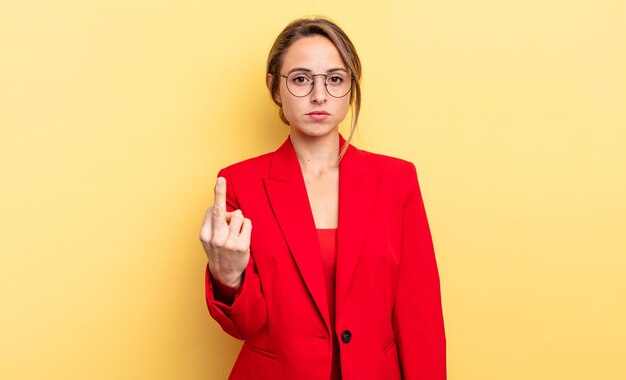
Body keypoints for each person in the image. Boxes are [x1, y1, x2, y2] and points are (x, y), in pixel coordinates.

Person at [200, 17, 446, 379]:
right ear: (275, 88)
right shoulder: (239, 183)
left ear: (351, 88)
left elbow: (419, 313)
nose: (319, 95)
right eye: (301, 79)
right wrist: (228, 277)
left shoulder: (397, 180)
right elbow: (247, 326)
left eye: (335, 79)